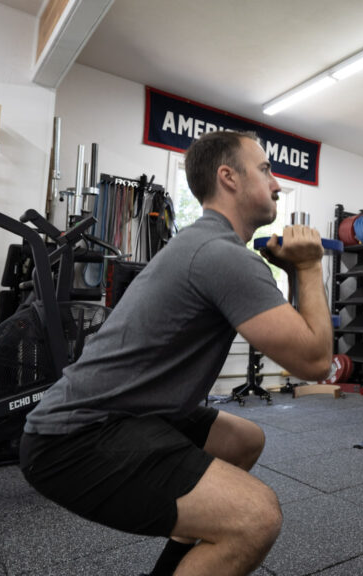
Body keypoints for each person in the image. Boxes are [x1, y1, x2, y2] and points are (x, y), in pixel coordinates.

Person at [18, 130, 333, 576]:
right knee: (255, 517)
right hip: (72, 439)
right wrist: (310, 265)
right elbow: (316, 362)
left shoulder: (205, 244)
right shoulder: (221, 254)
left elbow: (293, 336)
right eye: (265, 171)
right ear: (229, 177)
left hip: (130, 413)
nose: (277, 184)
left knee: (243, 440)